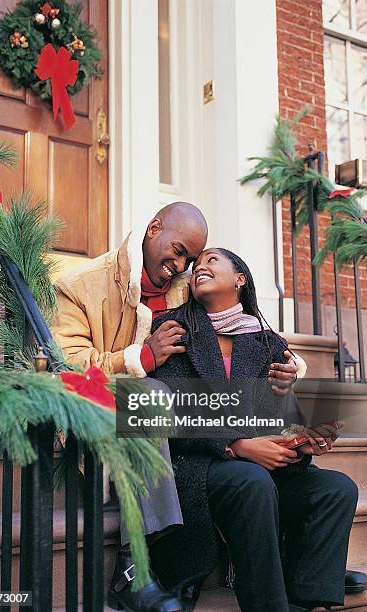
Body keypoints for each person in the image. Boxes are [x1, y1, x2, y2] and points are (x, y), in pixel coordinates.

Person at [51, 206, 300, 612]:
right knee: (148, 391)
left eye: (190, 258)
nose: (181, 265)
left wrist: (290, 366)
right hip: (98, 406)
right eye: (179, 251)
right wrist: (140, 357)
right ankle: (135, 568)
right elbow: (67, 366)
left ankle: (293, 566)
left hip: (180, 419)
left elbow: (241, 326)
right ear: (153, 229)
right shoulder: (81, 285)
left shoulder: (185, 285)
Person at [149, 248, 358, 612]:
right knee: (251, 480)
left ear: (240, 279)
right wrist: (235, 444)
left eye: (213, 260)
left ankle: (304, 597)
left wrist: (300, 441)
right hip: (199, 466)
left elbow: (272, 416)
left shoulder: (266, 341)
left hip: (253, 471)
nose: (201, 267)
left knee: (336, 487)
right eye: (197, 265)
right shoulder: (173, 329)